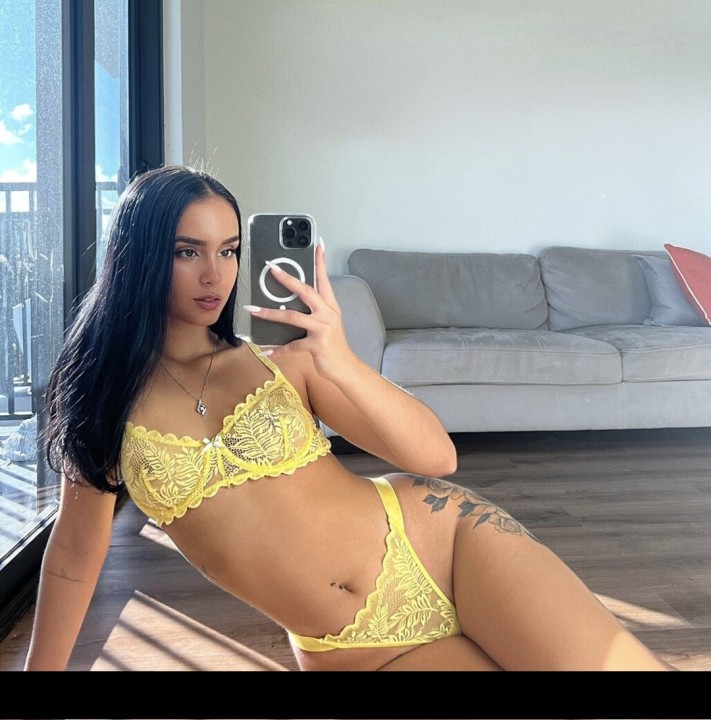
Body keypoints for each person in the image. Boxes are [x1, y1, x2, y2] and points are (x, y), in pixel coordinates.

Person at [24, 165, 673, 671]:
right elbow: (74, 557)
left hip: (445, 546)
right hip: (348, 648)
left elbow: (435, 457)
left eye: (229, 250)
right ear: (138, 256)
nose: (214, 274)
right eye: (186, 251)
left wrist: (338, 359)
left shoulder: (285, 362)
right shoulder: (103, 398)